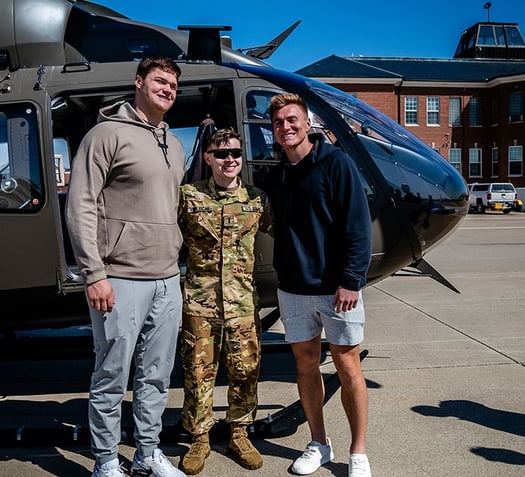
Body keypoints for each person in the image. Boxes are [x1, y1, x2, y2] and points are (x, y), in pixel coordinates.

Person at [66, 56, 187, 477]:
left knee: (156, 376)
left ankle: (148, 454)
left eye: (173, 84)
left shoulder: (173, 143)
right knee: (112, 374)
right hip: (119, 277)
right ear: (138, 82)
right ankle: (104, 461)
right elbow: (80, 204)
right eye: (160, 80)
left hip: (168, 278)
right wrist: (94, 274)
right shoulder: (105, 135)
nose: (167, 89)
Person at [265, 93, 373, 477]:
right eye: (278, 123)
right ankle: (319, 443)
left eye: (292, 120)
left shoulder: (336, 164)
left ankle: (358, 452)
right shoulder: (277, 174)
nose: (286, 127)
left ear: (307, 123)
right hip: (293, 289)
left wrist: (350, 281)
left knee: (348, 366)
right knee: (306, 365)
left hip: (336, 290)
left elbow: (358, 228)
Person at [177, 128, 272, 474]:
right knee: (198, 373)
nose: (229, 159)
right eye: (221, 154)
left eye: (235, 152)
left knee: (245, 370)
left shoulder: (258, 199)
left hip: (243, 304)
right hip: (200, 305)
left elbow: (288, 232)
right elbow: (164, 234)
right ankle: (199, 437)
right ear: (207, 158)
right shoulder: (189, 197)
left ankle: (239, 432)